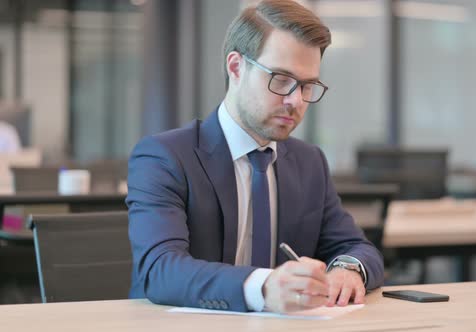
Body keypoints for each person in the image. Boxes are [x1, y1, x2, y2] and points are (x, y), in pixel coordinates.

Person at [126, 0, 384, 313]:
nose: (296, 100)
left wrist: (348, 268)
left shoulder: (309, 162)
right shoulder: (165, 157)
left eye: (307, 85)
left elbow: (355, 247)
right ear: (235, 67)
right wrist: (263, 288)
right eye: (281, 79)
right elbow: (161, 270)